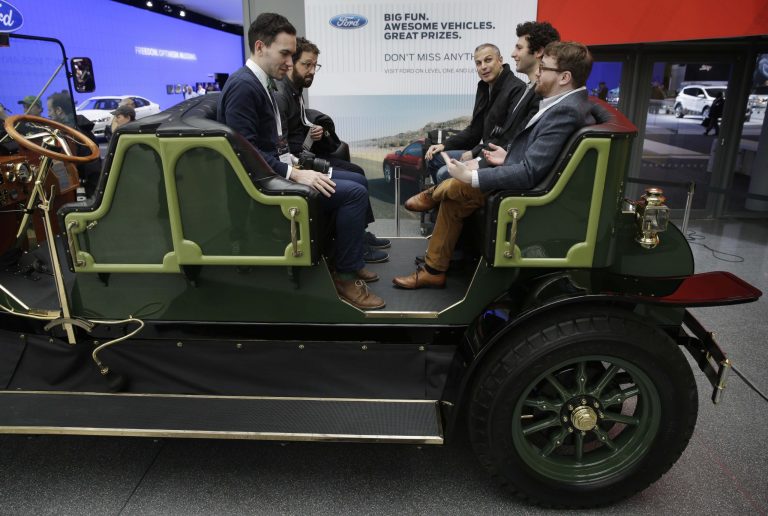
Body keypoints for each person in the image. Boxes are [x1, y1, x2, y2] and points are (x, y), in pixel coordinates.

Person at [393, 41, 595, 289]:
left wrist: (471, 177)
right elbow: (530, 153)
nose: (538, 73)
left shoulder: (565, 111)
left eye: (544, 68)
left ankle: (433, 196)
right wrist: (506, 157)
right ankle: (434, 268)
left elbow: (530, 172)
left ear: (564, 77)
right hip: (517, 170)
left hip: (528, 193)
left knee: (458, 186)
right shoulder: (563, 104)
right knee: (455, 195)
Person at [217, 12, 385, 310]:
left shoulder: (264, 83)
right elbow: (244, 153)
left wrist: (294, 163)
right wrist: (293, 173)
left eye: (292, 55)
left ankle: (346, 259)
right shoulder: (244, 86)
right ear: (260, 47)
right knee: (354, 193)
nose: (289, 61)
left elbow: (270, 143)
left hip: (277, 171)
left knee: (354, 181)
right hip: (262, 186)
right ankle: (345, 278)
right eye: (285, 53)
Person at [274, 36, 390, 261]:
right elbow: (282, 147)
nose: (312, 71)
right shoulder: (281, 95)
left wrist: (313, 132)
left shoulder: (295, 91)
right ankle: (355, 248)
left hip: (306, 155)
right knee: (356, 185)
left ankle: (359, 235)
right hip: (298, 164)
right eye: (306, 64)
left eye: (314, 65)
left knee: (358, 172)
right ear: (291, 64)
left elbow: (297, 132)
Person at [424, 43, 526, 184]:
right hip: (482, 151)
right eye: (478, 63)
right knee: (434, 157)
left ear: (500, 60)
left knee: (444, 172)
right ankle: (443, 202)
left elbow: (505, 137)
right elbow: (474, 131)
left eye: (488, 60)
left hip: (497, 156)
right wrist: (444, 145)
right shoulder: (484, 87)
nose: (483, 66)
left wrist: (474, 153)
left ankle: (455, 203)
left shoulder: (516, 89)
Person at [47, 90, 102, 196]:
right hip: (94, 184)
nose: (48, 114)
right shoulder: (80, 126)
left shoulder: (66, 134)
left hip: (83, 189)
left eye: (49, 110)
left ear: (58, 110)